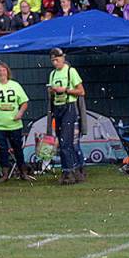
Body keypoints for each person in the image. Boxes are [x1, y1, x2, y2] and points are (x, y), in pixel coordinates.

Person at [0, 60, 29, 181]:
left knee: (17, 148)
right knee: (2, 149)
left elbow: (24, 102)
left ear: (7, 71)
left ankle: (23, 172)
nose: (1, 72)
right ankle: (5, 173)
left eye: (3, 70)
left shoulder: (15, 85)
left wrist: (20, 113)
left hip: (14, 124)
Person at [47, 47, 85, 185]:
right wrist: (52, 91)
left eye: (57, 59)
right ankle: (68, 170)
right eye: (53, 60)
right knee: (61, 141)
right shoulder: (52, 74)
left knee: (65, 142)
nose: (55, 63)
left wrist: (66, 90)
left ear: (63, 58)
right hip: (58, 107)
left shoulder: (70, 71)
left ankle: (71, 172)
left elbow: (81, 91)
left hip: (69, 106)